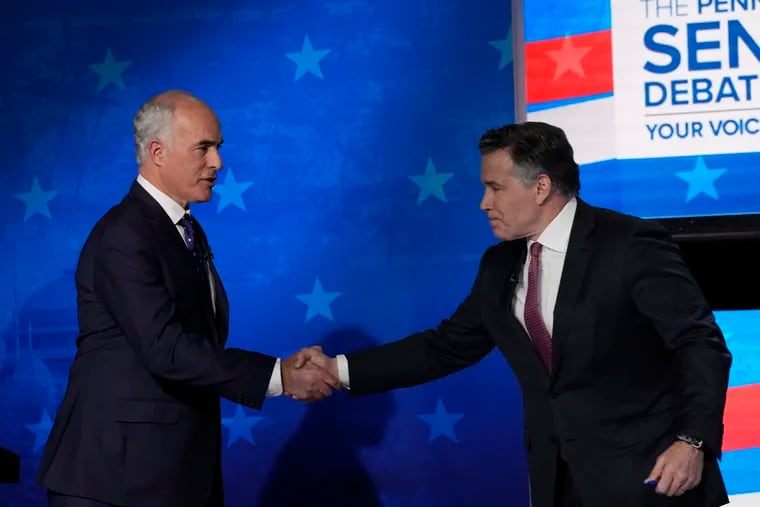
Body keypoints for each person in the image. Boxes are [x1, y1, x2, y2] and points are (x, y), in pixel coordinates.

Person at [294, 122, 732, 507]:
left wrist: (693, 441)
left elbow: (701, 344)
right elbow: (445, 347)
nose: (484, 203)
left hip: (653, 478)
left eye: (495, 187)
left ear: (541, 187)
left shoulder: (630, 244)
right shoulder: (499, 264)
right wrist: (337, 369)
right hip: (557, 481)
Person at [36, 90, 339, 507]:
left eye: (218, 148)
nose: (217, 163)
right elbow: (167, 349)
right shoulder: (125, 235)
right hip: (116, 480)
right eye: (204, 148)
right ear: (158, 152)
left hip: (174, 471)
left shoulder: (184, 230)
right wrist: (279, 375)